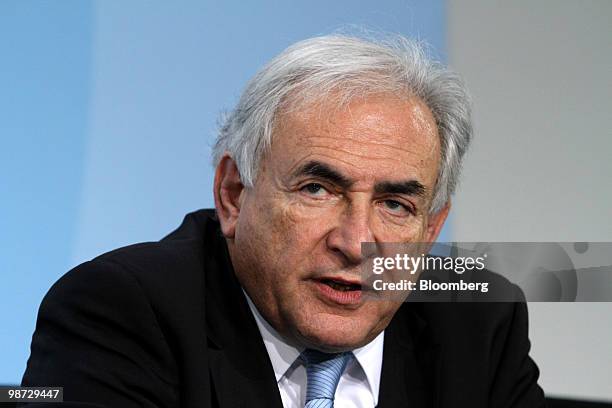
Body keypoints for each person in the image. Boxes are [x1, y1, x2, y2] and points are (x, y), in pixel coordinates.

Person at [22, 34, 546, 407]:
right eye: (317, 189)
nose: (356, 242)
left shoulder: (479, 322)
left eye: (395, 205)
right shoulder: (123, 309)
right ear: (233, 194)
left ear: (430, 231)